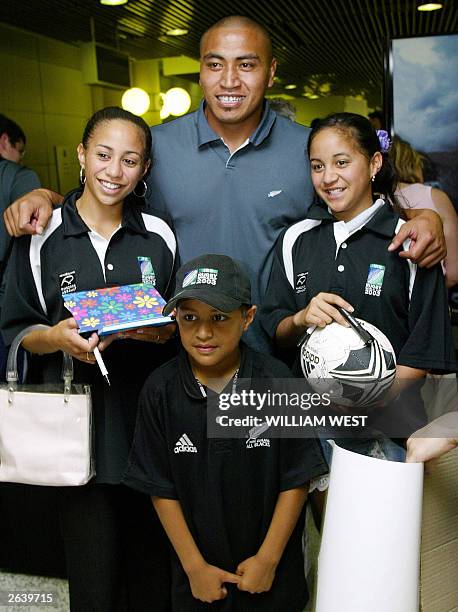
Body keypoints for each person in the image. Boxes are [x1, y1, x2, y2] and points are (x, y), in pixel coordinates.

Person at [3, 17, 446, 352]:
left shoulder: (306, 148)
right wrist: (46, 195)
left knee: (282, 475)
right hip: (174, 356)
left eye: (246, 65)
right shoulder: (158, 143)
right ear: (200, 70)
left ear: (271, 72)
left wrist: (423, 216)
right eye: (215, 64)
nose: (229, 80)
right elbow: (104, 197)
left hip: (280, 358)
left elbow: (354, 207)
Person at [1, 106, 178, 612]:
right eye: (103, 155)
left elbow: (177, 328)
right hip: (76, 440)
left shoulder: (159, 236)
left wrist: (150, 330)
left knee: (151, 578)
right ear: (82, 155)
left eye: (129, 160)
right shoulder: (41, 234)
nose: (113, 171)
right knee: (93, 581)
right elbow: (18, 329)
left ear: (144, 170)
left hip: (147, 431)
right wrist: (58, 338)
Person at [123, 253, 327, 611]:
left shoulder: (277, 382)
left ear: (247, 318)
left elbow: (295, 479)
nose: (203, 332)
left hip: (272, 582)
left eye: (219, 318)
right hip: (198, 585)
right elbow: (160, 487)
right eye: (190, 318)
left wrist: (268, 559)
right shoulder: (161, 390)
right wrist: (194, 567)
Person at [261, 113, 455, 463]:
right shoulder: (295, 239)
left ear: (374, 163)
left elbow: (424, 351)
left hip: (392, 434)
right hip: (307, 432)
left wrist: (360, 396)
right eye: (317, 166)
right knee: (316, 520)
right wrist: (302, 317)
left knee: (384, 519)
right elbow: (277, 330)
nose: (328, 177)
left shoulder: (411, 240)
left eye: (342, 162)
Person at [0, 114, 40, 376]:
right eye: (20, 151)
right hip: (6, 309)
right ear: (5, 142)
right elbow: (35, 233)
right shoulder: (18, 177)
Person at [391, 135, 458, 287]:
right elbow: (454, 272)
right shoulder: (435, 196)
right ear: (412, 163)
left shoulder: (370, 198)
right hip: (427, 306)